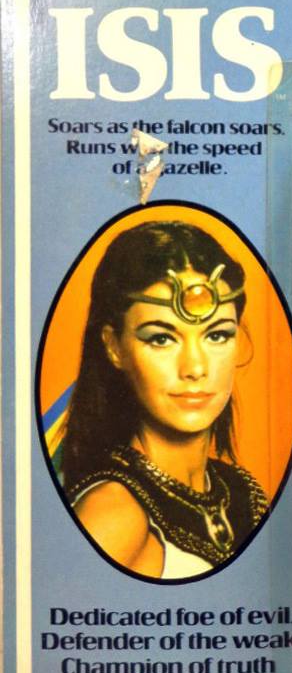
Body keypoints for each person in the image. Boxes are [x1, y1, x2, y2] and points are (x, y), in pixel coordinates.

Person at [62, 220, 267, 580]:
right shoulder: (113, 512)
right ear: (114, 347)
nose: (195, 368)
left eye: (217, 335)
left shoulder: (242, 491)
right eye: (161, 339)